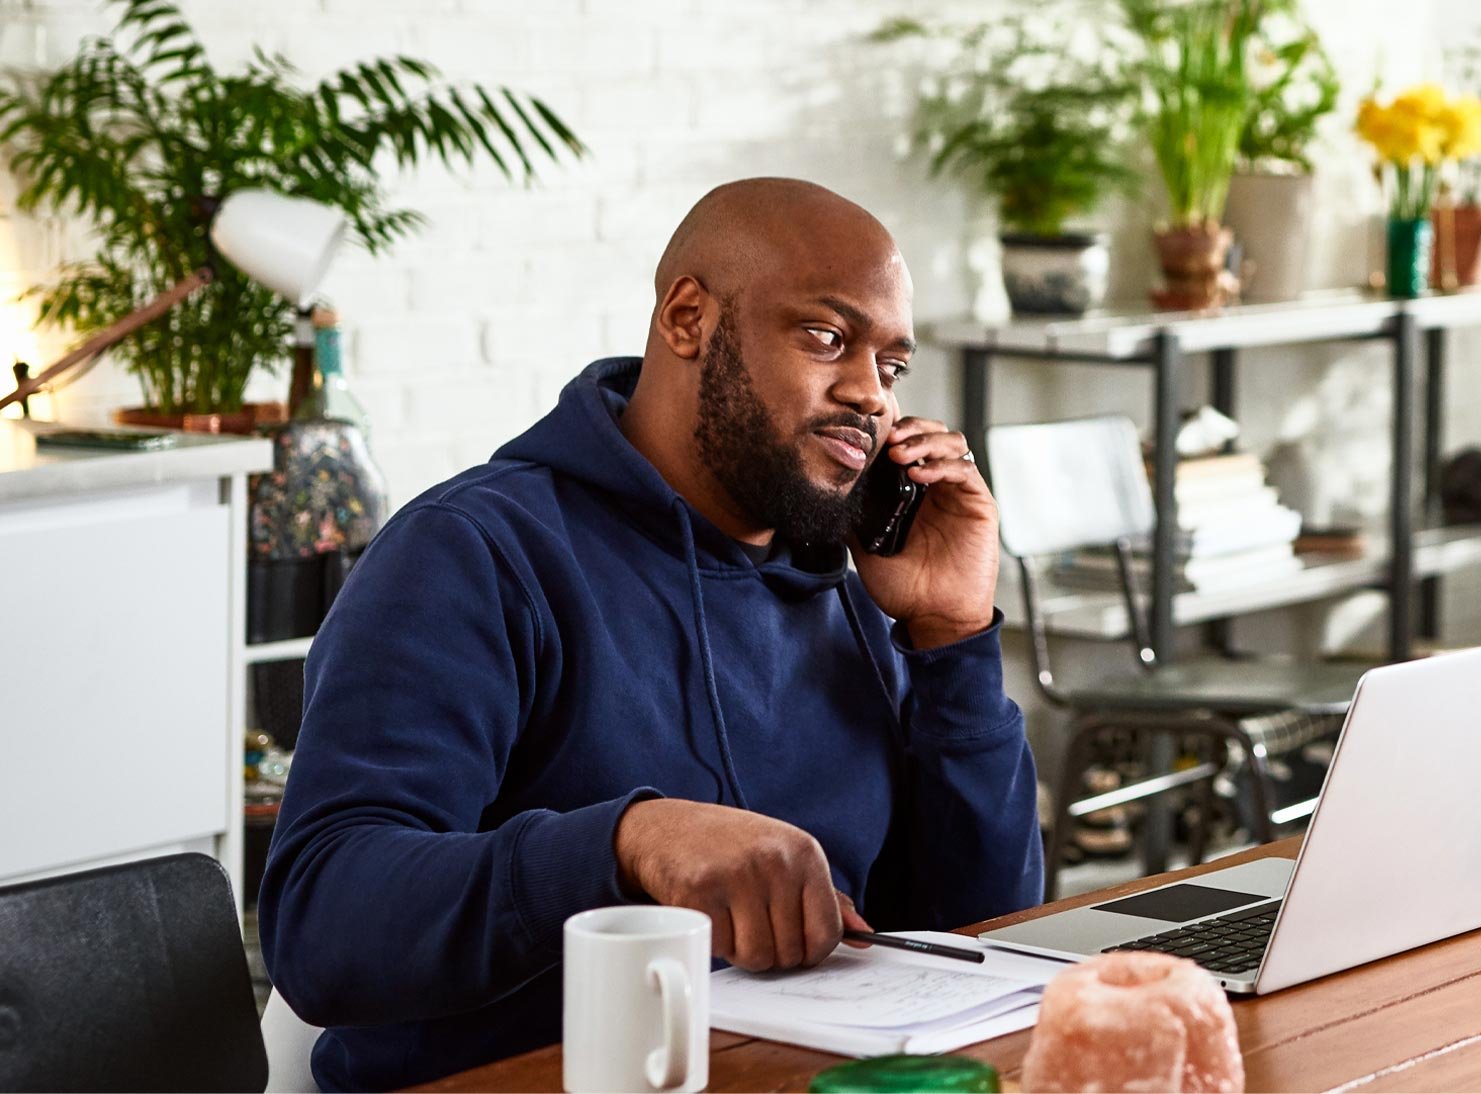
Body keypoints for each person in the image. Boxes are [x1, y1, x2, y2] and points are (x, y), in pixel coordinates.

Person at [260, 178, 1044, 1091]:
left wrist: (950, 641)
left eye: (892, 366)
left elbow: (980, 940)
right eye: (827, 338)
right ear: (687, 318)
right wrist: (627, 843)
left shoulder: (855, 586)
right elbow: (323, 922)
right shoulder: (473, 555)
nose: (871, 395)